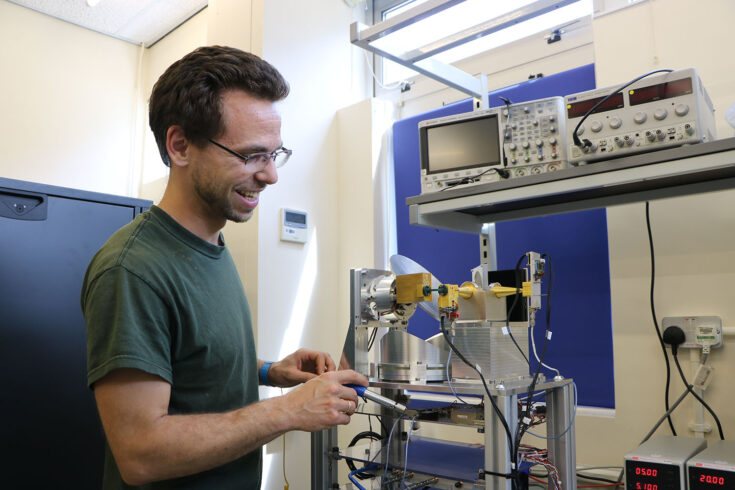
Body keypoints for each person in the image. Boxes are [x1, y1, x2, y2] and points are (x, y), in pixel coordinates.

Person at [81, 45, 367, 489]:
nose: (270, 175)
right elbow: (140, 452)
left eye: (275, 154)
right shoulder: (132, 269)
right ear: (180, 146)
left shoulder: (210, 242)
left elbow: (181, 359)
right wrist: (290, 410)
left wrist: (270, 371)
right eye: (251, 155)